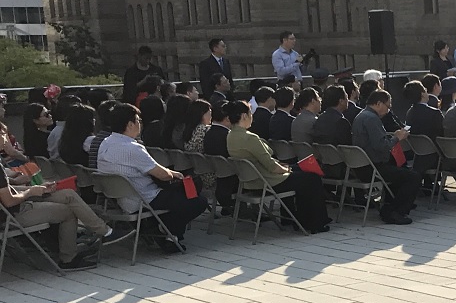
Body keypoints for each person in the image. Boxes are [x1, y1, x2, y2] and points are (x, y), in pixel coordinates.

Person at [95, 104, 209, 253]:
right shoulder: (132, 148)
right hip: (144, 198)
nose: (140, 124)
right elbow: (162, 174)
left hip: (120, 198)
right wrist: (174, 174)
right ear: (130, 124)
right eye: (138, 121)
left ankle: (165, 231)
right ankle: (169, 233)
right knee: (197, 201)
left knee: (177, 197)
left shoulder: (105, 143)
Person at [225, 101, 329, 233]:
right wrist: (286, 169)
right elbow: (272, 166)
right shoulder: (249, 138)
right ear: (244, 116)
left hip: (251, 180)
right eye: (250, 113)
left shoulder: (230, 136)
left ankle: (300, 219)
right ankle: (315, 223)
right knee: (311, 178)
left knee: (301, 171)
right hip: (267, 181)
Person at [1, 175, 135, 270]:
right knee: (68, 212)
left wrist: (38, 188)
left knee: (68, 195)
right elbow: (9, 201)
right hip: (13, 215)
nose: (5, 138)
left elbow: (6, 191)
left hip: (18, 204)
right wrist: (30, 192)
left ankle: (105, 231)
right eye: (2, 134)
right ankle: (68, 258)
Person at [351, 89, 419, 225]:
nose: (388, 110)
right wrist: (397, 138)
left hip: (363, 165)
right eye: (388, 106)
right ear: (378, 104)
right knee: (413, 177)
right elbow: (381, 146)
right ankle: (396, 211)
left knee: (399, 173)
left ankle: (388, 208)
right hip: (373, 167)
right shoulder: (371, 118)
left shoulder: (362, 115)